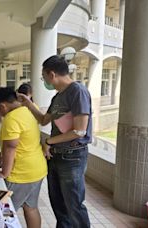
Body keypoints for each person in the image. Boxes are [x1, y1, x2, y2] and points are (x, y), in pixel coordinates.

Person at [18, 55, 92, 228]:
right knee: (58, 205)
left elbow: (79, 130)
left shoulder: (77, 91)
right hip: (56, 156)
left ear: (51, 75)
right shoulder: (57, 97)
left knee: (74, 205)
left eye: (43, 76)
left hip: (72, 156)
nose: (44, 81)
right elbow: (44, 120)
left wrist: (50, 141)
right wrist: (28, 103)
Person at [0, 87, 47, 228]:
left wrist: (4, 173)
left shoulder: (11, 118)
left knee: (5, 211)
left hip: (21, 174)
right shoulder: (30, 108)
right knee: (31, 207)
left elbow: (11, 147)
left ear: (3, 105)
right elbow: (19, 141)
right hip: (37, 169)